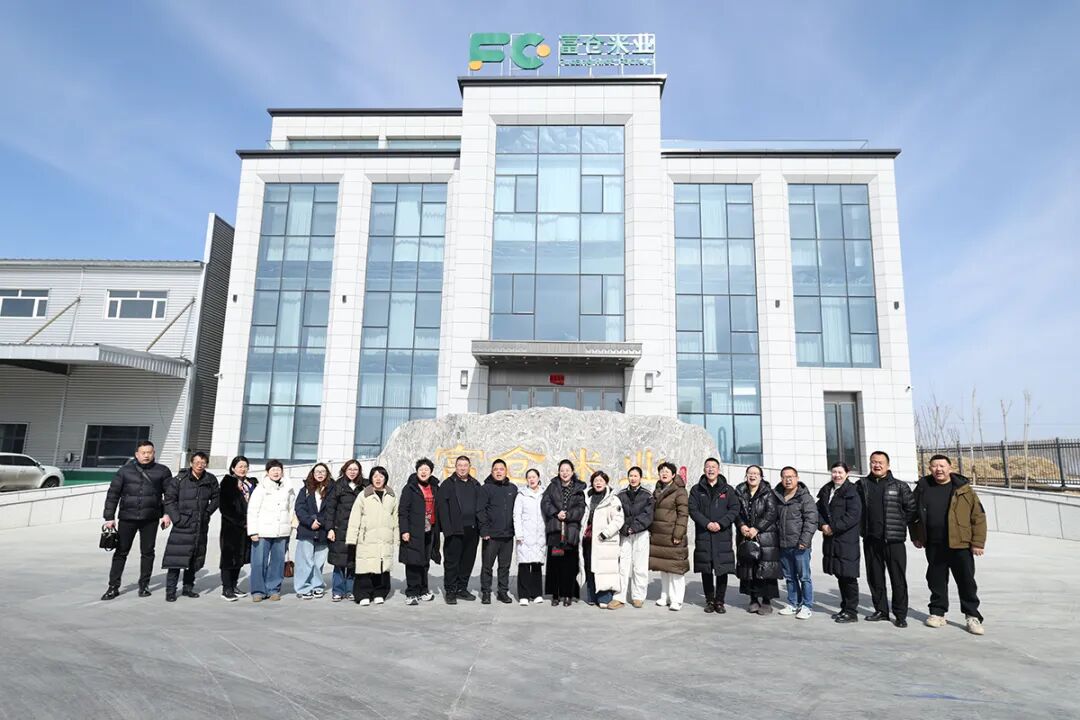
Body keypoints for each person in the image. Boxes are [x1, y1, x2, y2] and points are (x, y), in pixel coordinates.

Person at [910, 454, 987, 636]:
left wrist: (977, 542)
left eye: (942, 466)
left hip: (960, 544)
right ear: (930, 468)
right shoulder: (923, 488)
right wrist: (916, 536)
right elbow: (912, 514)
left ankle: (972, 616)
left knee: (966, 581)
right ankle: (937, 613)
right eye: (934, 466)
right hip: (934, 543)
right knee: (936, 579)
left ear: (950, 468)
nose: (938, 469)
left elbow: (978, 516)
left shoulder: (963, 489)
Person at [101, 439, 173, 600]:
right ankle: (113, 587)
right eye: (143, 453)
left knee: (148, 553)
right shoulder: (124, 471)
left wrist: (167, 514)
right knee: (121, 552)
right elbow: (113, 494)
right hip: (127, 518)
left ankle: (144, 585)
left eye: (149, 452)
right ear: (137, 454)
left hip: (150, 518)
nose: (146, 455)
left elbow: (169, 495)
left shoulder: (162, 471)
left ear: (154, 453)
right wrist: (109, 517)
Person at [856, 450, 916, 627]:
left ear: (888, 465)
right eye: (873, 462)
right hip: (871, 539)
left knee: (898, 579)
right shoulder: (862, 485)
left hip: (894, 541)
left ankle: (900, 614)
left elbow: (911, 510)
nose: (877, 465)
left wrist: (899, 524)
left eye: (880, 462)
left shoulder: (900, 486)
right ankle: (881, 611)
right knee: (875, 578)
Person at [160, 452, 220, 602]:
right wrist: (177, 519)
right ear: (191, 463)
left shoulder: (210, 479)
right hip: (183, 524)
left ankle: (188, 588)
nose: (200, 465)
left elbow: (216, 498)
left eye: (203, 462)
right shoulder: (180, 479)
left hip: (200, 524)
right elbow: (169, 499)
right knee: (175, 559)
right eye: (197, 462)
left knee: (194, 558)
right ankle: (170, 591)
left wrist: (207, 513)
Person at [688, 457, 741, 614]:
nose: (710, 469)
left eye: (713, 467)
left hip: (722, 535)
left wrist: (721, 523)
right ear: (704, 469)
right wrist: (707, 524)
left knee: (722, 569)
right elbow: (693, 510)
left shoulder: (728, 490)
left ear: (718, 470)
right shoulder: (696, 490)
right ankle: (710, 600)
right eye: (708, 467)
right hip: (704, 534)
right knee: (706, 569)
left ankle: (720, 601)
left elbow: (734, 509)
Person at [817, 462, 863, 623]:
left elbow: (853, 515)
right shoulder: (827, 490)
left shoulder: (852, 491)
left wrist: (833, 528)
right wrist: (822, 525)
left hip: (846, 540)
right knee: (840, 574)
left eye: (840, 472)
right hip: (831, 540)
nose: (837, 475)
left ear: (847, 473)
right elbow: (818, 510)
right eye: (834, 472)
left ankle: (851, 611)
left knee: (848, 576)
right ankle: (844, 608)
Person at [347, 466, 398, 606]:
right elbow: (355, 517)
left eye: (381, 476)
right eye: (375, 476)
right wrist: (352, 538)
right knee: (365, 566)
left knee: (382, 566)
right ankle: (363, 594)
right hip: (367, 537)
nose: (378, 479)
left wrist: (396, 537)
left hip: (385, 538)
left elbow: (396, 518)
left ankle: (379, 593)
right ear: (371, 478)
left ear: (385, 478)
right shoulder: (364, 495)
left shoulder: (391, 496)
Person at [735, 465, 781, 614]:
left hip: (766, 536)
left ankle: (766, 601)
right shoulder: (740, 491)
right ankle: (753, 599)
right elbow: (736, 512)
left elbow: (771, 513)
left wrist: (757, 528)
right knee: (749, 568)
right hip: (746, 535)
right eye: (750, 473)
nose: (752, 476)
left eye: (756, 473)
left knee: (765, 568)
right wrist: (742, 525)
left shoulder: (768, 492)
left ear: (761, 477)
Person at [246, 460, 294, 602]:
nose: (276, 472)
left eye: (278, 469)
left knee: (277, 562)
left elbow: (291, 509)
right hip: (262, 532)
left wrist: (290, 527)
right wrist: (253, 531)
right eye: (273, 469)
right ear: (267, 472)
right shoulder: (261, 488)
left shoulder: (288, 487)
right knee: (258, 562)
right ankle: (258, 591)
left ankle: (273, 589)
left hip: (281, 532)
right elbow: (253, 510)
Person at [436, 455, 482, 603]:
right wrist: (447, 530)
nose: (462, 468)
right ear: (456, 467)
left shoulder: (475, 484)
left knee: (467, 561)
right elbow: (442, 508)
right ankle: (450, 591)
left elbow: (481, 507)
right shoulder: (447, 484)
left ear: (469, 467)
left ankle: (462, 589)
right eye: (460, 465)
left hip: (472, 530)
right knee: (452, 562)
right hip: (454, 531)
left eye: (465, 465)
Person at [541, 459, 587, 607]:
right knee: (555, 564)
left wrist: (568, 515)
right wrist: (556, 513)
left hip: (571, 531)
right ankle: (555, 594)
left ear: (572, 472)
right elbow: (545, 503)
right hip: (555, 531)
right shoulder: (553, 486)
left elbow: (581, 508)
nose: (565, 473)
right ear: (558, 472)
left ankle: (568, 594)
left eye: (567, 470)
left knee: (570, 565)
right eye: (562, 470)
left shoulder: (579, 488)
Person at [774, 466, 818, 619]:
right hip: (783, 544)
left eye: (791, 476)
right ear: (781, 479)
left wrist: (804, 541)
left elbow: (811, 521)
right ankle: (793, 603)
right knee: (790, 577)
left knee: (804, 576)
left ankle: (807, 605)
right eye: (785, 477)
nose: (788, 480)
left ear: (797, 478)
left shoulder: (805, 498)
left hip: (800, 545)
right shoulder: (777, 496)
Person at [578, 471, 625, 609]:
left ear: (606, 483)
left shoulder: (613, 499)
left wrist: (606, 533)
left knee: (605, 569)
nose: (598, 483)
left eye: (601, 480)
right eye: (595, 480)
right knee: (590, 567)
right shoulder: (587, 497)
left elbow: (618, 519)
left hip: (604, 540)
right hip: (589, 539)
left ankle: (604, 598)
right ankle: (592, 596)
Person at [399, 458, 441, 605]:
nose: (424, 472)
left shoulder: (434, 487)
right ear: (417, 471)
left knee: (425, 561)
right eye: (421, 469)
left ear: (431, 472)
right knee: (413, 562)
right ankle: (412, 592)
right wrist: (404, 530)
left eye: (426, 469)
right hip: (413, 531)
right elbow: (403, 511)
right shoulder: (410, 488)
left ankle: (423, 590)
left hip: (429, 530)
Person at [650, 461, 690, 611]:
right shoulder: (658, 490)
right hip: (660, 536)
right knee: (664, 567)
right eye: (662, 471)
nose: (664, 474)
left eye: (667, 471)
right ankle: (665, 595)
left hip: (673, 535)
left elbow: (683, 514)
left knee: (676, 569)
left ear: (674, 475)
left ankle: (677, 599)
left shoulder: (680, 491)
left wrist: (678, 533)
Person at [478, 458, 518, 604]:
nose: (499, 472)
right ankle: (486, 592)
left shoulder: (512, 489)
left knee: (504, 567)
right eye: (496, 469)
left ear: (506, 471)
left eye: (501, 469)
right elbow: (480, 510)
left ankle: (502, 592)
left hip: (508, 535)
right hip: (491, 536)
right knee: (487, 566)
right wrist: (484, 530)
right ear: (492, 472)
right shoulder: (486, 488)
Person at [614, 466, 653, 609]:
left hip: (641, 534)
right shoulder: (621, 495)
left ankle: (638, 596)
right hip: (625, 534)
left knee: (640, 566)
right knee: (622, 566)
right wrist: (625, 528)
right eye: (631, 475)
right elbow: (617, 514)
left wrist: (634, 528)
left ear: (640, 478)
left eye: (636, 476)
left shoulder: (647, 495)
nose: (633, 478)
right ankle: (619, 597)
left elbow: (648, 515)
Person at [219, 455, 257, 601]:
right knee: (229, 558)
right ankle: (226, 588)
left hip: (247, 528)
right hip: (232, 527)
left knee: (240, 557)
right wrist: (241, 521)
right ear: (233, 468)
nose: (243, 469)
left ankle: (234, 585)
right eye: (240, 466)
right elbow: (225, 507)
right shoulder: (228, 482)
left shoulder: (250, 483)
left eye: (245, 466)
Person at [293, 462, 333, 599]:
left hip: (323, 530)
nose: (320, 474)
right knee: (305, 561)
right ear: (313, 474)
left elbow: (332, 508)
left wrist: (321, 521)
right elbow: (299, 508)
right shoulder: (305, 489)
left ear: (327, 474)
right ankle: (303, 587)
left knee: (319, 562)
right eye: (317, 472)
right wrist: (310, 522)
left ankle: (317, 586)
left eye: (323, 471)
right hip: (307, 529)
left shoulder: (332, 489)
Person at [325, 460, 363, 602]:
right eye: (350, 469)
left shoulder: (363, 486)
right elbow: (330, 509)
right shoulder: (337, 485)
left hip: (356, 529)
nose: (352, 472)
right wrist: (330, 528)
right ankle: (338, 590)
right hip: (339, 529)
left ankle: (350, 590)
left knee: (353, 562)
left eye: (355, 469)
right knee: (339, 562)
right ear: (344, 470)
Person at [513, 468, 546, 606]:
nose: (532, 480)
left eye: (534, 477)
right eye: (529, 477)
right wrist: (519, 533)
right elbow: (517, 515)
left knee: (537, 565)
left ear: (538, 478)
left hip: (540, 535)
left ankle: (537, 593)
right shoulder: (521, 495)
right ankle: (524, 595)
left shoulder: (544, 494)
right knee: (524, 565)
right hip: (525, 536)